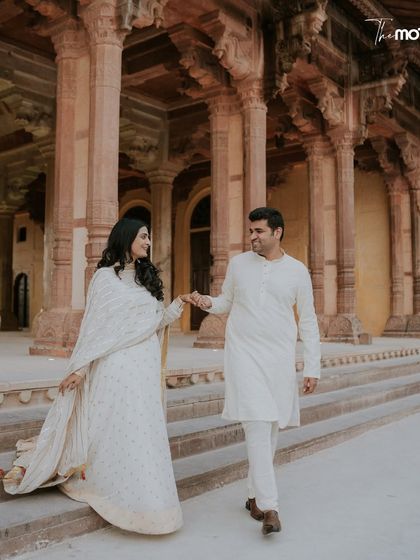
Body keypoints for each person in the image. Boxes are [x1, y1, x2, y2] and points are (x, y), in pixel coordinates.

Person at [3, 218, 196, 535]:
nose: (148, 242)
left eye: (149, 236)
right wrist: (79, 368)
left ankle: (152, 504)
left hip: (144, 370)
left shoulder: (146, 281)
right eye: (144, 236)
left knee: (144, 431)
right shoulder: (105, 279)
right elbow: (94, 329)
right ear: (126, 238)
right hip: (115, 368)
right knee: (116, 429)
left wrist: (177, 306)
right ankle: (111, 490)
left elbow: (154, 322)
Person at [192, 207, 321, 535]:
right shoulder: (238, 265)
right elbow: (226, 302)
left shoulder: (297, 271)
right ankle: (270, 507)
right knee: (257, 424)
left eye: (259, 231)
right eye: (251, 231)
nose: (253, 237)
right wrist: (206, 301)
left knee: (271, 428)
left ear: (277, 232)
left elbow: (307, 320)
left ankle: (252, 497)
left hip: (278, 360)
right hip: (243, 356)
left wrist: (312, 366)